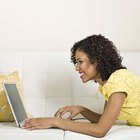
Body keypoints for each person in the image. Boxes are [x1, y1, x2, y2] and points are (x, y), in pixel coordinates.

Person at [23, 34, 140, 138]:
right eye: (76, 62)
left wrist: (55, 122)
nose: (77, 68)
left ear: (97, 61)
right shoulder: (108, 84)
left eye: (80, 61)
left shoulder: (119, 81)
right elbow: (104, 119)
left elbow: (100, 130)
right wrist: (81, 109)